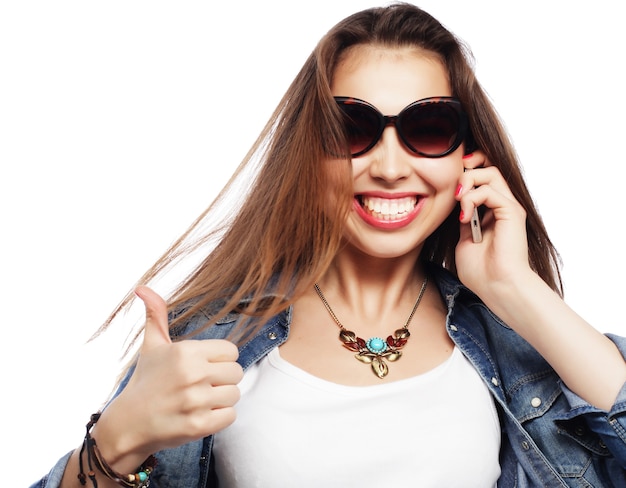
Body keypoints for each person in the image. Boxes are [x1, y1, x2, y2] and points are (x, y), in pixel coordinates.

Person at [31, 2, 626, 487]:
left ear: (467, 159)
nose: (390, 167)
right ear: (308, 154)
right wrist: (115, 443)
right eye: (353, 129)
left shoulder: (517, 346)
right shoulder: (207, 340)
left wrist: (515, 289)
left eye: (428, 128)